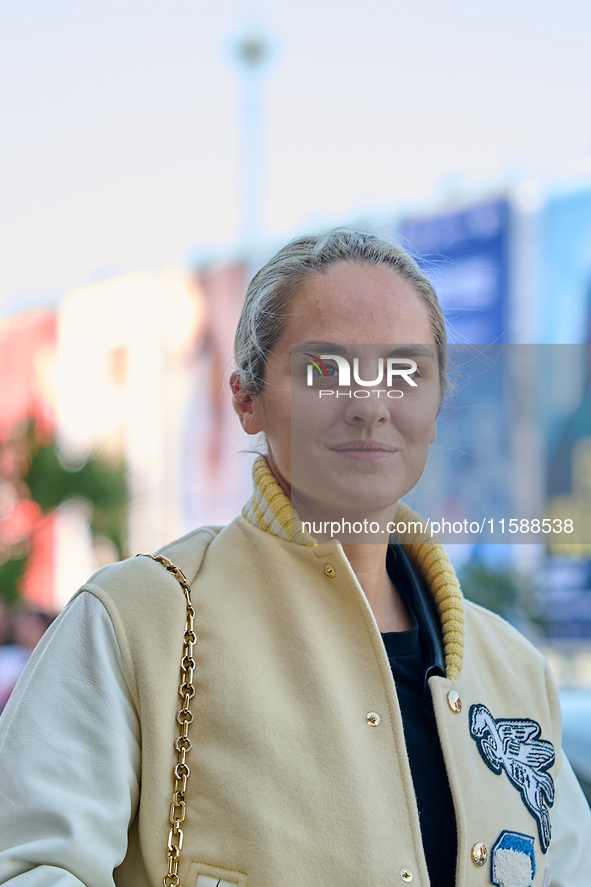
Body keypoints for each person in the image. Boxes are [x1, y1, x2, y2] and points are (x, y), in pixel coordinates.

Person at [0, 229, 589, 887]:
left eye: (404, 370)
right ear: (245, 399)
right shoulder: (140, 621)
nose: (369, 405)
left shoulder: (512, 668)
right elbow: (27, 866)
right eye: (325, 369)